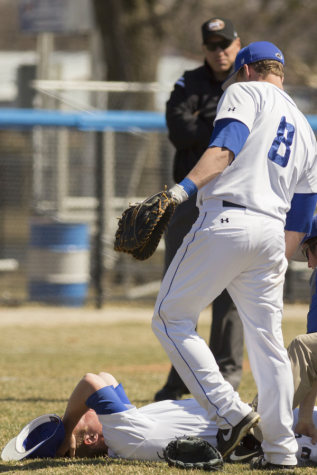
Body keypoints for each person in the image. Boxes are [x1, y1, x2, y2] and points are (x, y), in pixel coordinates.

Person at [151, 40, 317, 470]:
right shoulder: (305, 125)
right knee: (269, 346)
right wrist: (271, 259)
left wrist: (178, 192)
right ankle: (281, 452)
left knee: (170, 317)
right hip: (273, 235)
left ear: (245, 70)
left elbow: (225, 147)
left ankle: (231, 412)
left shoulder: (244, 91)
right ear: (278, 72)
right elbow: (302, 215)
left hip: (227, 217)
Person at [156, 17, 243, 402]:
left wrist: (203, 123)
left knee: (231, 291)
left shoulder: (249, 83)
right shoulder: (187, 81)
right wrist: (223, 129)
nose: (219, 51)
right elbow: (178, 129)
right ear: (204, 48)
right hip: (190, 199)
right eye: (212, 45)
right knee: (180, 290)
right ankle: (180, 381)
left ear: (238, 44)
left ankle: (227, 378)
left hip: (234, 196)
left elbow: (203, 130)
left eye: (225, 44)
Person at [55, 370, 317, 463]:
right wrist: (67, 431)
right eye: (83, 417)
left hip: (275, 422)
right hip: (282, 434)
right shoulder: (124, 438)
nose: (87, 408)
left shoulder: (129, 424)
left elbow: (105, 377)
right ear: (90, 438)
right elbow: (91, 382)